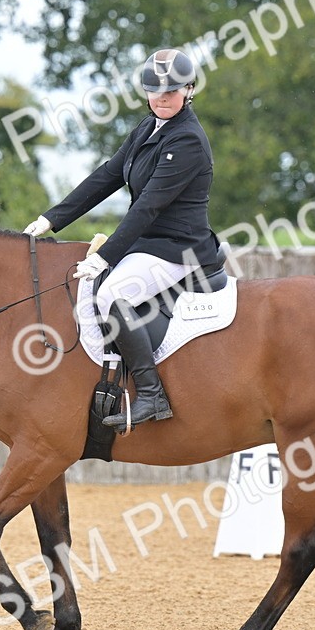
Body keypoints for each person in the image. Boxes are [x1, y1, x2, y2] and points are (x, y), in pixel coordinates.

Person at [23, 48, 220, 429]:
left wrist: (105, 256)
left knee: (113, 294)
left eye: (171, 91)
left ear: (189, 90)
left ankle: (151, 393)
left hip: (178, 249)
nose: (162, 98)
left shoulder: (188, 140)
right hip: (149, 244)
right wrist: (51, 218)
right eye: (154, 90)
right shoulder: (148, 128)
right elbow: (107, 175)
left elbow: (148, 207)